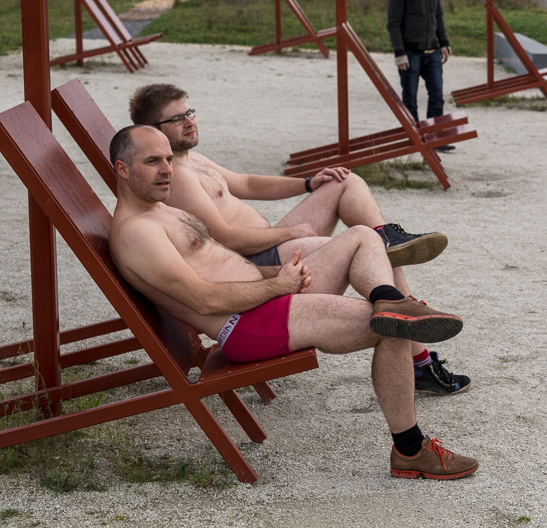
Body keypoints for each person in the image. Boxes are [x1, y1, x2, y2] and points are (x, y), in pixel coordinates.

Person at [107, 124, 479, 479]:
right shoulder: (138, 232)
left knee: (364, 236)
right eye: (153, 162)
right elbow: (203, 300)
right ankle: (411, 451)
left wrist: (274, 277)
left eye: (168, 159)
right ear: (123, 169)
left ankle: (390, 300)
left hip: (264, 299)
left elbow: (220, 269)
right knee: (393, 328)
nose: (167, 169)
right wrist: (278, 285)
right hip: (248, 325)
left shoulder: (157, 209)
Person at [128, 83, 469, 396]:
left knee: (342, 183)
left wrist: (308, 182)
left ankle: (386, 239)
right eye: (176, 119)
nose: (189, 122)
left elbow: (247, 183)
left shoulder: (193, 160)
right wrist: (290, 233)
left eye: (190, 113)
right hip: (258, 257)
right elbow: (227, 238)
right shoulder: (179, 179)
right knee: (375, 252)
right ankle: (419, 355)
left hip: (268, 245)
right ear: (152, 133)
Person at [387, 0, 454, 152]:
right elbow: (393, 24)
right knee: (410, 99)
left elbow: (438, 16)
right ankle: (415, 140)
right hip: (410, 54)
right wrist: (400, 54)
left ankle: (436, 139)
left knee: (437, 96)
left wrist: (444, 43)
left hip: (432, 51)